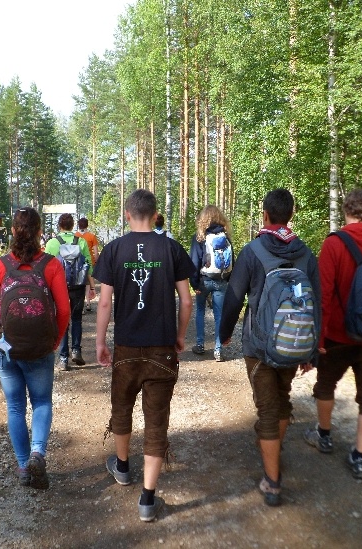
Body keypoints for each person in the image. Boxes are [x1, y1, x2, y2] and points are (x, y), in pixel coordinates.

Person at [94, 189, 194, 522]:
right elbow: (187, 300)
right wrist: (180, 336)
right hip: (161, 348)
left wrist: (100, 342)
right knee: (157, 418)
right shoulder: (171, 248)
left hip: (126, 345)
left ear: (127, 214)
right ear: (154, 214)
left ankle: (122, 467)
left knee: (122, 406)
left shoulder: (114, 249)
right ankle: (148, 499)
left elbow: (104, 302)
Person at [219, 188, 320, 506]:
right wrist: (312, 349)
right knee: (282, 399)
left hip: (259, 345)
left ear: (265, 215)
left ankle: (273, 483)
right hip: (294, 341)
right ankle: (274, 446)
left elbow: (234, 297)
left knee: (266, 409)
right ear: (291, 215)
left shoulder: (252, 252)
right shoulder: (306, 253)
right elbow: (318, 303)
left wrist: (224, 334)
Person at [303, 188, 362, 480]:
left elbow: (323, 296)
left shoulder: (335, 243)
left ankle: (324, 435)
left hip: (338, 335)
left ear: (346, 210)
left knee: (325, 385)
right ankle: (360, 456)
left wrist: (317, 340)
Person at [0, 207, 70, 489]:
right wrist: (55, 340)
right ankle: (37, 453)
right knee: (41, 402)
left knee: (15, 406)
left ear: (14, 231)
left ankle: (22, 467)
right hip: (40, 348)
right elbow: (65, 310)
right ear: (40, 232)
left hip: (6, 349)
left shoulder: (0, 265)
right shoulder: (51, 265)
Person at [45, 213, 95, 370]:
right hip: (78, 286)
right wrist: (92, 286)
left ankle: (63, 359)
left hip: (58, 287)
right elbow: (88, 265)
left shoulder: (52, 243)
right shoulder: (81, 241)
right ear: (73, 226)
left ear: (59, 226)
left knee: (62, 320)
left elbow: (46, 267)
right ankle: (76, 351)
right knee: (77, 318)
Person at [189, 205, 233, 362]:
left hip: (204, 281)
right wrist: (227, 279)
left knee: (200, 310)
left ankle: (200, 344)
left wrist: (194, 284)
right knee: (219, 315)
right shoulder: (225, 237)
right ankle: (218, 349)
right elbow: (232, 260)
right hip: (221, 280)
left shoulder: (199, 237)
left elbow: (194, 263)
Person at [75, 217, 100, 313]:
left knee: (79, 284)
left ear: (78, 225)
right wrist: (97, 262)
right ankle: (88, 303)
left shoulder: (75, 236)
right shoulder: (91, 236)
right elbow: (96, 252)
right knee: (88, 284)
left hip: (77, 263)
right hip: (89, 262)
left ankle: (80, 306)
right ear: (87, 225)